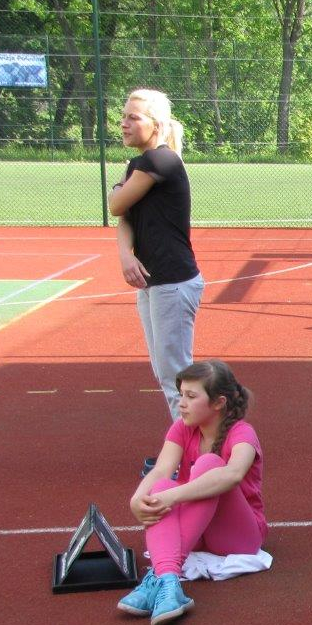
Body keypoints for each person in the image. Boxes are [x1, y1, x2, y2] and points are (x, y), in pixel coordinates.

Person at [118, 360, 265, 625]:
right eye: (180, 395)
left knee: (209, 465)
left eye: (191, 396)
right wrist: (137, 499)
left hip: (237, 537)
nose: (181, 403)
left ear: (218, 403)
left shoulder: (243, 433)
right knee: (161, 487)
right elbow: (161, 470)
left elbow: (233, 474)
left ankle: (160, 576)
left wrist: (174, 497)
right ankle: (167, 581)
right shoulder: (182, 428)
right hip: (196, 530)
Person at [109, 88, 203, 421]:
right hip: (154, 281)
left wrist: (118, 187)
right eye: (123, 116)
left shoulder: (158, 161)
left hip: (172, 281)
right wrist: (125, 254)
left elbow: (115, 204)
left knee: (175, 376)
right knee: (168, 374)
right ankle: (190, 441)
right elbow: (124, 217)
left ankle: (195, 445)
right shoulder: (140, 164)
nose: (124, 123)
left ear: (157, 124)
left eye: (133, 117)